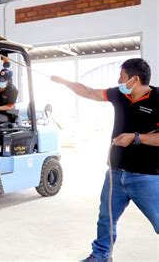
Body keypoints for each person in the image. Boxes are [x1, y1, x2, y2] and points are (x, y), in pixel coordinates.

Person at [51, 58, 159, 262]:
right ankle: (101, 255)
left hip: (146, 176)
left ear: (135, 79)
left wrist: (136, 138)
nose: (118, 79)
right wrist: (65, 82)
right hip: (115, 173)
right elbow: (90, 92)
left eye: (122, 75)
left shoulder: (158, 99)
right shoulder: (120, 94)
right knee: (106, 218)